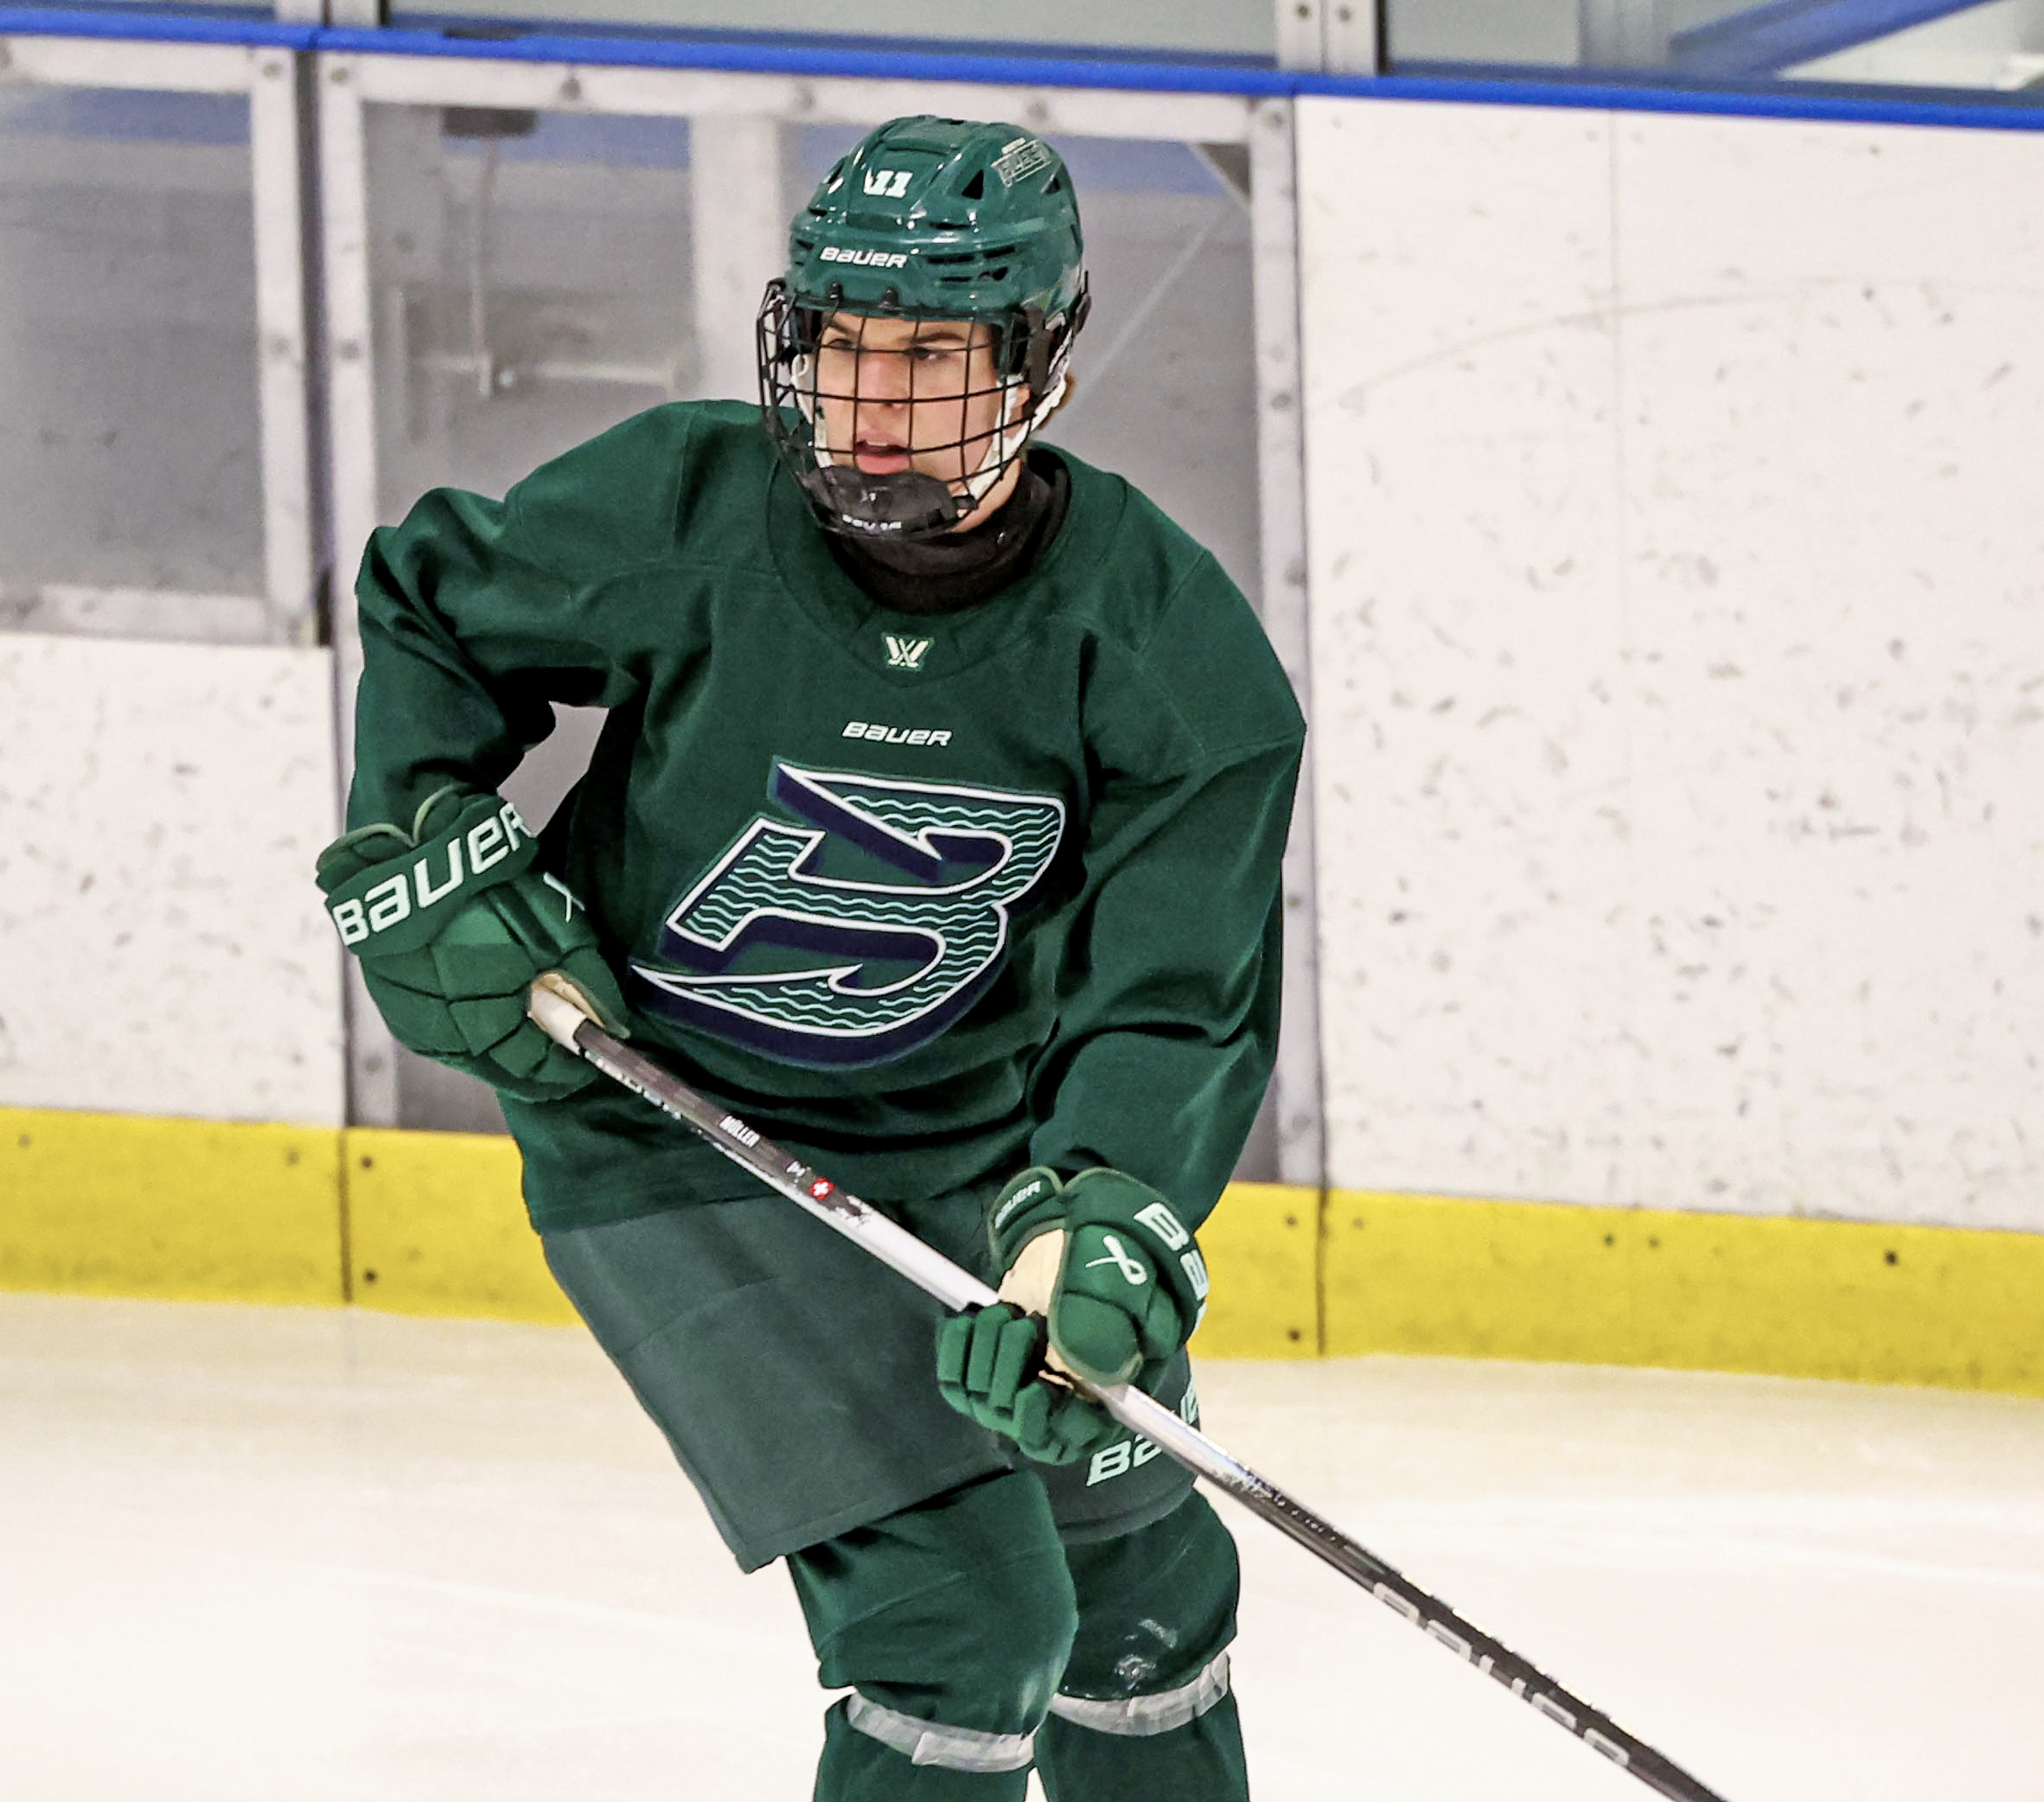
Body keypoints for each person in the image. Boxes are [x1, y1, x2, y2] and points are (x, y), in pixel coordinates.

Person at [317, 114, 1304, 1800]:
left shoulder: (1167, 654)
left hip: (978, 1158)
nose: (868, 400)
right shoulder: (686, 513)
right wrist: (423, 855)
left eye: (927, 354)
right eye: (843, 344)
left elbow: (1165, 1005)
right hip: (672, 1140)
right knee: (960, 1624)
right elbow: (431, 600)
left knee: (1146, 1595)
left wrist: (1101, 1244)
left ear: (1043, 363)